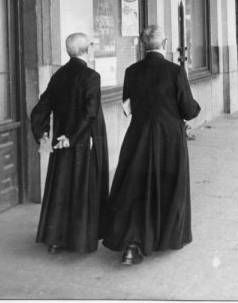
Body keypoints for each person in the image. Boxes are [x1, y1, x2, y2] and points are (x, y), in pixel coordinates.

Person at [102, 24, 201, 265]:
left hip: (139, 136)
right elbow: (189, 109)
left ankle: (132, 245)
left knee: (135, 186)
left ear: (143, 46)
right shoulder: (175, 71)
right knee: (169, 185)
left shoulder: (131, 71)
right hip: (169, 138)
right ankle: (166, 237)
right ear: (164, 45)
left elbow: (128, 107)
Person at [30, 32, 109, 253]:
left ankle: (55, 239)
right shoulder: (91, 76)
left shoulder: (59, 75)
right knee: (84, 187)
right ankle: (81, 240)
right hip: (85, 141)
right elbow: (90, 114)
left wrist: (43, 134)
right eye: (91, 45)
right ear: (87, 50)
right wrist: (73, 138)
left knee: (62, 187)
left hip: (61, 141)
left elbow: (40, 108)